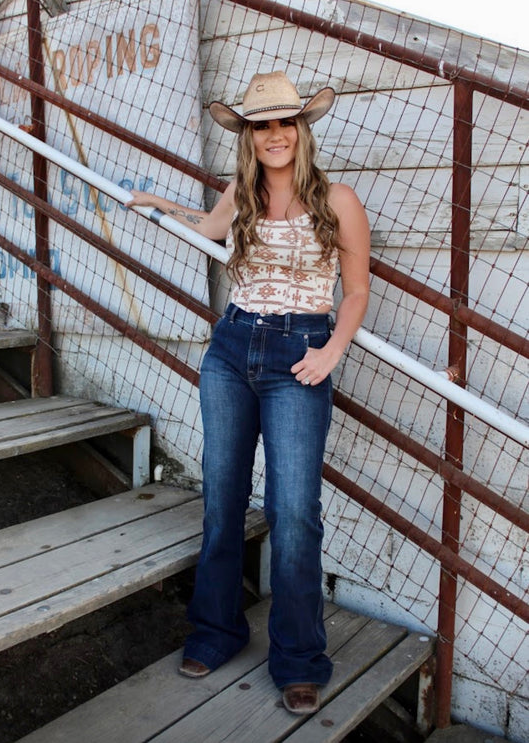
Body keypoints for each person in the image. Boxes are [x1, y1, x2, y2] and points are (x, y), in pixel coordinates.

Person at [126, 70, 370, 715]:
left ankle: (299, 659)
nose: (274, 135)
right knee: (223, 497)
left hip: (300, 354)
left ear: (301, 129)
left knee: (294, 512)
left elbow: (355, 291)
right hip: (232, 349)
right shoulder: (241, 191)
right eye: (262, 126)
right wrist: (160, 203)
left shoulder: (339, 199)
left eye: (285, 122)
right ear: (250, 135)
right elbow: (209, 230)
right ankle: (216, 631)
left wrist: (332, 351)